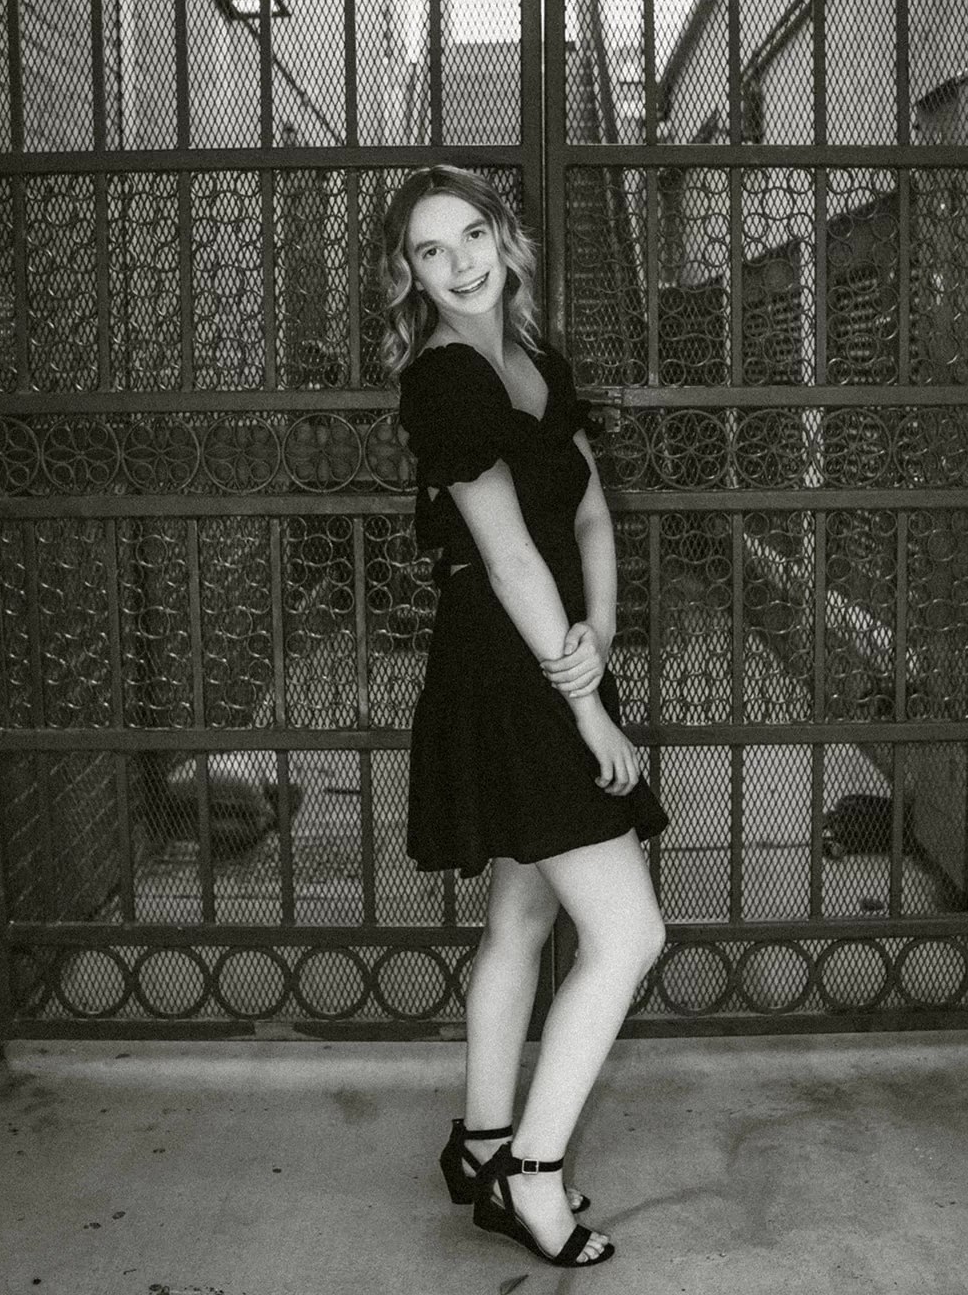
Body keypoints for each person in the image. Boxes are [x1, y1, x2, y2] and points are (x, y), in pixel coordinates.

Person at [379, 165, 668, 1270]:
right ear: (407, 275)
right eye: (429, 250)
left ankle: (482, 1143)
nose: (458, 263)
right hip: (506, 669)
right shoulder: (443, 380)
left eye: (470, 234)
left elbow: (588, 513)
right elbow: (504, 556)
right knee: (630, 935)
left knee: (524, 917)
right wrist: (587, 709)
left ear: (504, 236)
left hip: (551, 650)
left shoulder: (540, 363)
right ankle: (530, 1179)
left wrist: (600, 627)